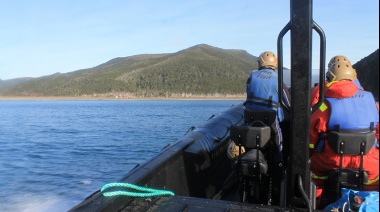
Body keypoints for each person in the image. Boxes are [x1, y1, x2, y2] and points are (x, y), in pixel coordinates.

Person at [309, 61, 379, 206]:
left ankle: (315, 204)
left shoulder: (324, 105)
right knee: (375, 178)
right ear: (354, 76)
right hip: (367, 159)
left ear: (330, 77)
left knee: (313, 172)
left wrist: (311, 151)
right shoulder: (372, 101)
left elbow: (312, 134)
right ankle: (370, 204)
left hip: (332, 159)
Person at [243, 51, 291, 174]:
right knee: (278, 144)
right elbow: (288, 103)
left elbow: (250, 94)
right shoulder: (279, 81)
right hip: (270, 119)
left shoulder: (251, 77)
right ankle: (279, 168)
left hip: (250, 117)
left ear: (261, 63)